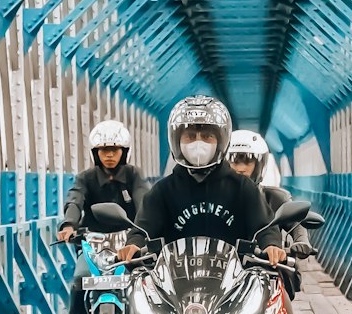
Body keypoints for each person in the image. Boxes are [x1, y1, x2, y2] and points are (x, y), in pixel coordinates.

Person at [117, 93, 286, 263]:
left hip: (235, 281)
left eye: (207, 136)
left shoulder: (243, 188)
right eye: (190, 136)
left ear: (221, 141)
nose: (198, 143)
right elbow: (143, 229)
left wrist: (271, 245)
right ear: (177, 140)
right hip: (175, 280)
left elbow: (265, 228)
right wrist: (134, 244)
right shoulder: (163, 191)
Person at [228, 129, 312, 314]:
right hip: (222, 274)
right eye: (234, 160)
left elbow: (296, 224)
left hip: (263, 273)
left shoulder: (274, 197)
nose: (240, 167)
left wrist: (301, 241)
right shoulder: (214, 199)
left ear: (259, 164)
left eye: (247, 161)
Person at [55, 120, 150, 314]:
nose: (109, 155)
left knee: (146, 277)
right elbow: (75, 199)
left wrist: (148, 225)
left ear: (123, 152)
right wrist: (69, 224)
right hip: (95, 240)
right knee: (80, 278)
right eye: (103, 150)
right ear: (96, 153)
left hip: (129, 240)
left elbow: (144, 200)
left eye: (114, 150)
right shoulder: (85, 178)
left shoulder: (133, 174)